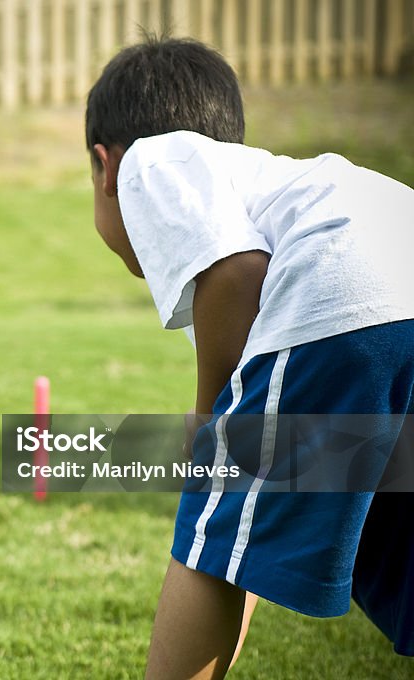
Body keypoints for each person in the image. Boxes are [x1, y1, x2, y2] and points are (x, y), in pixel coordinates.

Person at [85, 35, 414, 678]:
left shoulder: (150, 161)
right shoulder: (264, 190)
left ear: (105, 167)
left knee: (218, 495)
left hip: (350, 289)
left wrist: (210, 429)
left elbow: (238, 271)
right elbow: (239, 544)